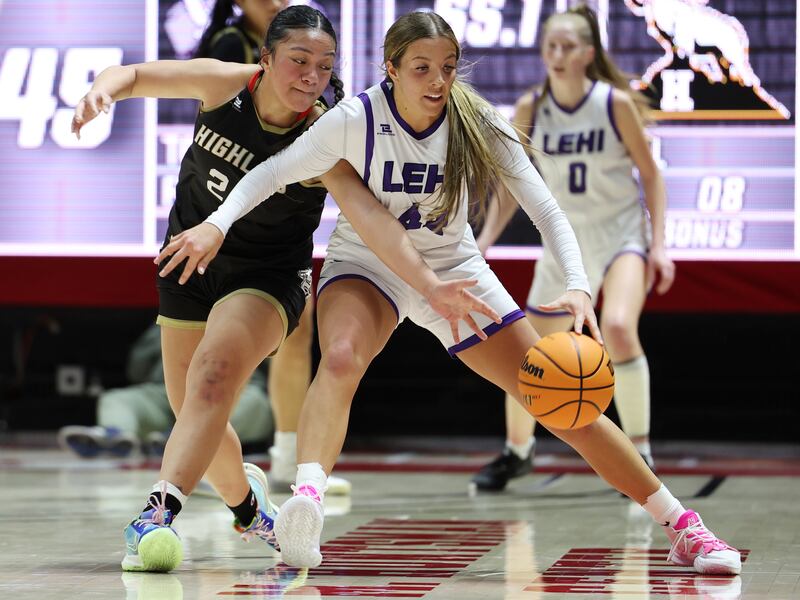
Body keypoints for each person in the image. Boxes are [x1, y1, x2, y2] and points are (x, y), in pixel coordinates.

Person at [157, 9, 739, 576]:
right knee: (339, 357)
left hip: (455, 270)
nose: (437, 81)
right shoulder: (353, 118)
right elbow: (269, 173)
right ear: (390, 68)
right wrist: (218, 223)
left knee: (558, 397)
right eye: (422, 68)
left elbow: (545, 209)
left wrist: (581, 287)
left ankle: (681, 525)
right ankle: (304, 504)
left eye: (448, 67)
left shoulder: (476, 121)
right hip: (370, 265)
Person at [72, 5, 494, 573]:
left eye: (324, 67)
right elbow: (136, 76)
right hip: (191, 259)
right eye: (298, 62)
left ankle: (155, 514)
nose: (311, 78)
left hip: (269, 276)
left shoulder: (329, 132)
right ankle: (250, 510)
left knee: (214, 378)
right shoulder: (224, 85)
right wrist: (101, 93)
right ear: (265, 59)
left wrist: (429, 283)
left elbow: (373, 222)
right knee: (194, 410)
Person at [471, 4, 675, 492]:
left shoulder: (613, 103)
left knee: (621, 329)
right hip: (564, 244)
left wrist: (660, 245)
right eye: (550, 47)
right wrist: (483, 241)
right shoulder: (530, 108)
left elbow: (651, 173)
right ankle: (518, 451)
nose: (556, 55)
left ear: (587, 54)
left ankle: (640, 451)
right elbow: (510, 188)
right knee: (530, 354)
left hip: (621, 232)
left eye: (567, 47)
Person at [195, 0, 350, 495]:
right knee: (204, 373)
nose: (278, 1)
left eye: (320, 67)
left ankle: (287, 452)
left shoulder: (324, 105)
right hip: (217, 228)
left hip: (278, 236)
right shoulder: (228, 55)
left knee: (299, 327)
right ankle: (212, 463)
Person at [57, 323, 271, 459]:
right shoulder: (173, 312)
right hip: (169, 393)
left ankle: (185, 439)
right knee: (117, 399)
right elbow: (136, 369)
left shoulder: (245, 310)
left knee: (252, 403)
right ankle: (115, 435)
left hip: (234, 391)